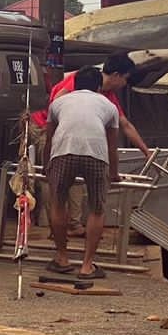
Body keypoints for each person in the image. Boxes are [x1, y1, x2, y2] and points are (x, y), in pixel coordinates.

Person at [29, 53, 151, 235]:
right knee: (53, 179)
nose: (125, 84)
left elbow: (124, 124)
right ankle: (54, 227)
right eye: (125, 79)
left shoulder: (108, 97)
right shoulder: (83, 79)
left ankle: (73, 224)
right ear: (116, 75)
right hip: (48, 127)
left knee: (77, 180)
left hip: (77, 137)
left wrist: (146, 152)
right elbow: (57, 104)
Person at [43, 66, 120, 280]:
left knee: (58, 204)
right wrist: (114, 173)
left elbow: (49, 139)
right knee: (97, 208)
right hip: (96, 154)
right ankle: (87, 266)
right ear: (98, 86)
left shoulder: (57, 103)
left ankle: (62, 258)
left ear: (74, 84)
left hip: (62, 153)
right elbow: (112, 146)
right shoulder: (109, 105)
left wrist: (45, 165)